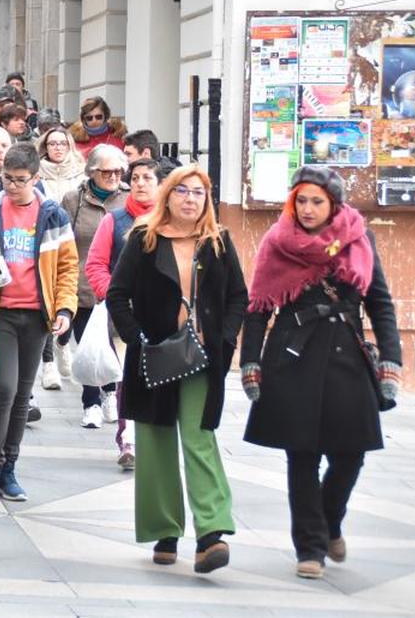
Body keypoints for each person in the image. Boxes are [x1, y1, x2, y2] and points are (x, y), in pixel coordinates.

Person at [240, 166, 401, 579]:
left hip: (347, 354)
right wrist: (251, 362)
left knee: (352, 452)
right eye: (301, 200)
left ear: (334, 205)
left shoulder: (359, 239)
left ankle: (330, 520)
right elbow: (259, 308)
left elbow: (380, 304)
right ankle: (309, 547)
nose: (307, 209)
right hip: (294, 356)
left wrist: (390, 360)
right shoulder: (278, 243)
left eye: (317, 201)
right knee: (302, 454)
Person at [105, 165, 247, 575]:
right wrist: (138, 339)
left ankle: (211, 534)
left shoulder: (218, 241)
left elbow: (239, 295)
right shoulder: (144, 240)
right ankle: (165, 531)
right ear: (167, 196)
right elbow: (118, 295)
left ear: (207, 200)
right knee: (156, 441)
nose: (190, 199)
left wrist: (226, 338)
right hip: (155, 355)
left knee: (200, 439)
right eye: (182, 191)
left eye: (198, 193)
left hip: (204, 358)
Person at [0, 143, 79, 504]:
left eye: (20, 180)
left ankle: (9, 469)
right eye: (6, 179)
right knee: (4, 389)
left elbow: (67, 268)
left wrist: (64, 310)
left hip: (37, 317)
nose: (12, 186)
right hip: (0, 313)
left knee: (22, 397)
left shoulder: (53, 215)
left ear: (36, 178)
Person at [84, 158, 167, 470]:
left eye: (148, 178)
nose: (141, 183)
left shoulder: (171, 222)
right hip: (124, 316)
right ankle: (128, 439)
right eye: (136, 178)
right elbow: (95, 264)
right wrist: (115, 296)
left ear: (161, 185)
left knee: (158, 377)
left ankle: (155, 437)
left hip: (163, 316)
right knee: (127, 377)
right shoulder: (115, 221)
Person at [60, 145, 128, 425]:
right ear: (92, 172)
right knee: (88, 344)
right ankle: (91, 402)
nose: (113, 176)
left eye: (117, 171)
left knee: (110, 343)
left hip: (120, 287)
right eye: (106, 171)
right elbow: (63, 240)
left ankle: (110, 391)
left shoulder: (128, 199)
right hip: (83, 287)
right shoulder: (73, 200)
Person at [35, 125, 86, 388]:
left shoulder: (81, 175)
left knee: (69, 298)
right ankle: (48, 365)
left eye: (62, 144)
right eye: (53, 143)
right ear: (45, 147)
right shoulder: (37, 175)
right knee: (46, 301)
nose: (57, 148)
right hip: (44, 246)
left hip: (72, 246)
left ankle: (63, 344)